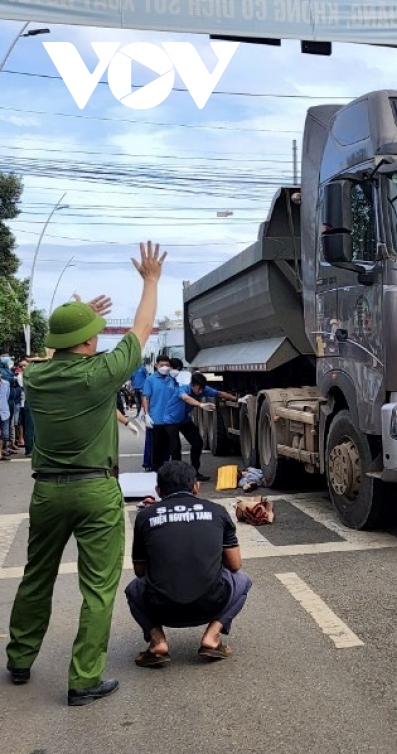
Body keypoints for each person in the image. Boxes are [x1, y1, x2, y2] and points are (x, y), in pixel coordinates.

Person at [6, 241, 166, 706]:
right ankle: (83, 679)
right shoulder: (99, 374)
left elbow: (58, 348)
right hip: (95, 489)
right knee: (97, 588)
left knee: (37, 575)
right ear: (90, 342)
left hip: (47, 492)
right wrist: (151, 280)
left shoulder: (34, 377)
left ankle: (20, 658)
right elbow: (140, 329)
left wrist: (75, 316)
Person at [125, 461, 252, 666]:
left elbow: (140, 571)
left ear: (158, 490)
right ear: (196, 487)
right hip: (210, 603)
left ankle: (157, 641)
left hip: (161, 607)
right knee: (242, 580)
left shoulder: (145, 517)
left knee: (134, 589)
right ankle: (212, 636)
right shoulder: (217, 511)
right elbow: (235, 565)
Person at [177, 374, 233, 482]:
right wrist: (201, 405)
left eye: (203, 388)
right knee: (175, 448)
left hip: (184, 420)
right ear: (193, 385)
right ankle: (177, 477)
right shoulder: (183, 389)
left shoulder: (202, 389)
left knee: (197, 443)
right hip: (172, 421)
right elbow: (185, 398)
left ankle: (195, 472)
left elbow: (219, 393)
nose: (201, 391)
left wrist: (237, 399)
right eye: (199, 388)